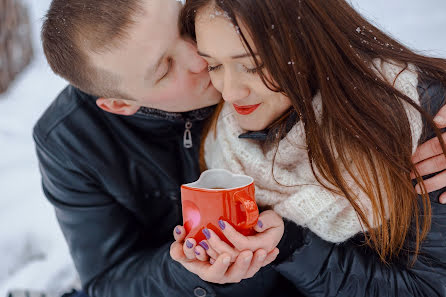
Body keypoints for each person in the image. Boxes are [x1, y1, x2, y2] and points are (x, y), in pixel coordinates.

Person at [32, 0, 445, 297]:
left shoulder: (254, 49)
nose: (200, 58)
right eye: (164, 69)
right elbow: (107, 281)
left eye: (182, 24)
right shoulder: (71, 141)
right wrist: (186, 272)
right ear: (121, 104)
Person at [169, 0, 446, 295]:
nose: (229, 91)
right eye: (213, 65)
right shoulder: (220, 137)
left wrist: (295, 248)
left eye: (254, 65)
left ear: (311, 44)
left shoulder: (415, 120)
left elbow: (429, 289)